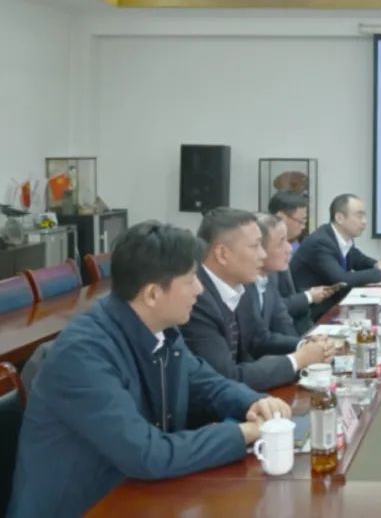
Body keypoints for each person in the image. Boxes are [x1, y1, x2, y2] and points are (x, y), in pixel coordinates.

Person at [8, 221, 292, 517]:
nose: (199, 290)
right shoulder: (82, 355)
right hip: (87, 506)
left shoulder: (162, 330)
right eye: (191, 280)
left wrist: (254, 402)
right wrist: (242, 433)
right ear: (153, 294)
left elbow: (207, 383)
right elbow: (148, 454)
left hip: (140, 495)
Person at [181, 207, 333, 392]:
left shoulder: (239, 285)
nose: (262, 254)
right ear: (222, 254)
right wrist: (297, 360)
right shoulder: (196, 299)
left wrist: (306, 346)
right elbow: (226, 377)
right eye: (255, 246)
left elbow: (258, 339)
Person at [291, 194, 381, 323]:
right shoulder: (321, 242)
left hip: (333, 306)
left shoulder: (341, 238)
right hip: (312, 314)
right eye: (359, 215)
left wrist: (377, 264)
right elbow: (342, 279)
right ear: (339, 218)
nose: (364, 221)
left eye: (364, 216)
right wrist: (380, 272)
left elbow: (358, 259)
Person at [268, 191, 334, 333]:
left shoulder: (291, 245)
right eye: (301, 221)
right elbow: (273, 307)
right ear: (281, 217)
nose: (303, 226)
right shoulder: (268, 256)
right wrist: (309, 297)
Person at [253, 212, 301, 337]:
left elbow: (283, 322)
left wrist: (304, 344)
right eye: (281, 242)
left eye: (287, 240)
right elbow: (256, 340)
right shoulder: (241, 286)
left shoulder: (271, 276)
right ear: (259, 247)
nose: (290, 249)